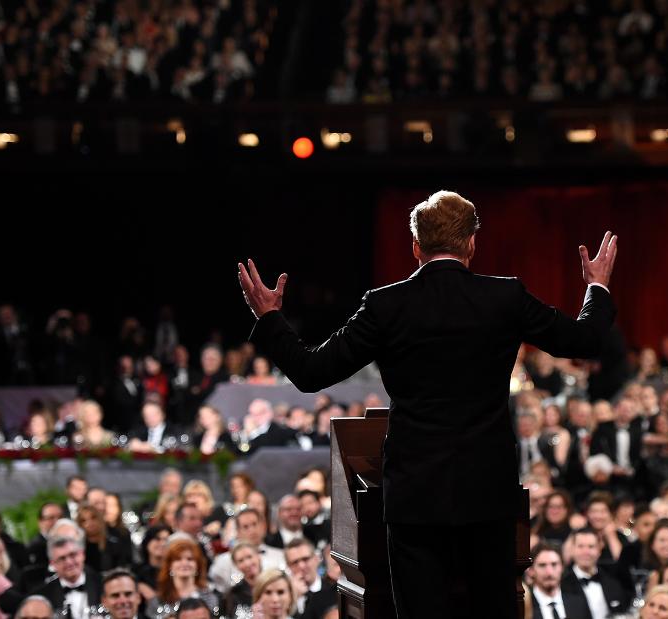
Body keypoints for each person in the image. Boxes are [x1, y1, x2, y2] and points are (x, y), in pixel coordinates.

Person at [238, 191, 617, 618]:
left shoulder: (385, 304)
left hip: (414, 497)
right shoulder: (504, 297)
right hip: (487, 492)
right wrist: (597, 287)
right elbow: (585, 340)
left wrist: (270, 318)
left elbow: (310, 372)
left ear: (415, 246)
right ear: (471, 243)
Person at [145, 537, 220, 619]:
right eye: (178, 559)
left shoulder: (212, 597)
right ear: (169, 565)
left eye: (190, 559)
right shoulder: (158, 601)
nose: (184, 563)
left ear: (197, 564)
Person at [529, 543, 590, 619]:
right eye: (542, 565)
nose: (549, 572)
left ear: (562, 568)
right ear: (531, 571)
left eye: (554, 564)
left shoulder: (579, 603)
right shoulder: (523, 607)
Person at [283, 539, 335, 619]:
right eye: (295, 562)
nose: (301, 566)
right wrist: (293, 597)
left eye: (305, 559)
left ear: (316, 558)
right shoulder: (284, 596)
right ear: (288, 566)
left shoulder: (332, 591)